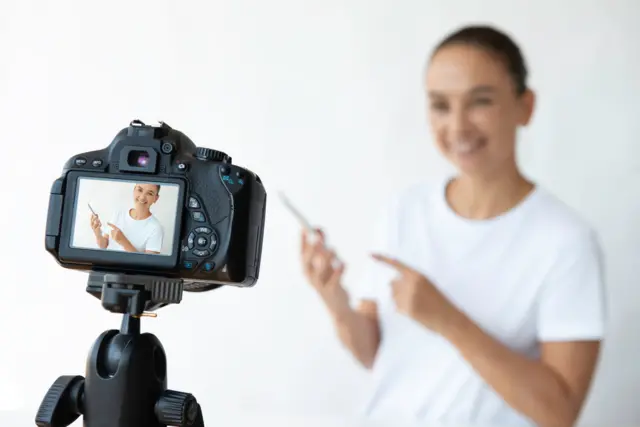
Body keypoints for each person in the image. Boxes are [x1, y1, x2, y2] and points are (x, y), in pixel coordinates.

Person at [300, 25, 606, 427]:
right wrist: (336, 303)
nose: (458, 127)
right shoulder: (403, 212)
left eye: (480, 102)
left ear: (525, 106)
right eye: (440, 105)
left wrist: (447, 319)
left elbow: (559, 412)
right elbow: (375, 353)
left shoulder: (566, 241)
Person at [90, 183, 164, 254]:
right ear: (134, 190)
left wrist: (123, 241)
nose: (142, 197)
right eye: (140, 190)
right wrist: (97, 233)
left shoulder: (156, 228)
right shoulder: (118, 213)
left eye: (149, 194)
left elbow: (149, 265)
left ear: (156, 198)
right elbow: (103, 245)